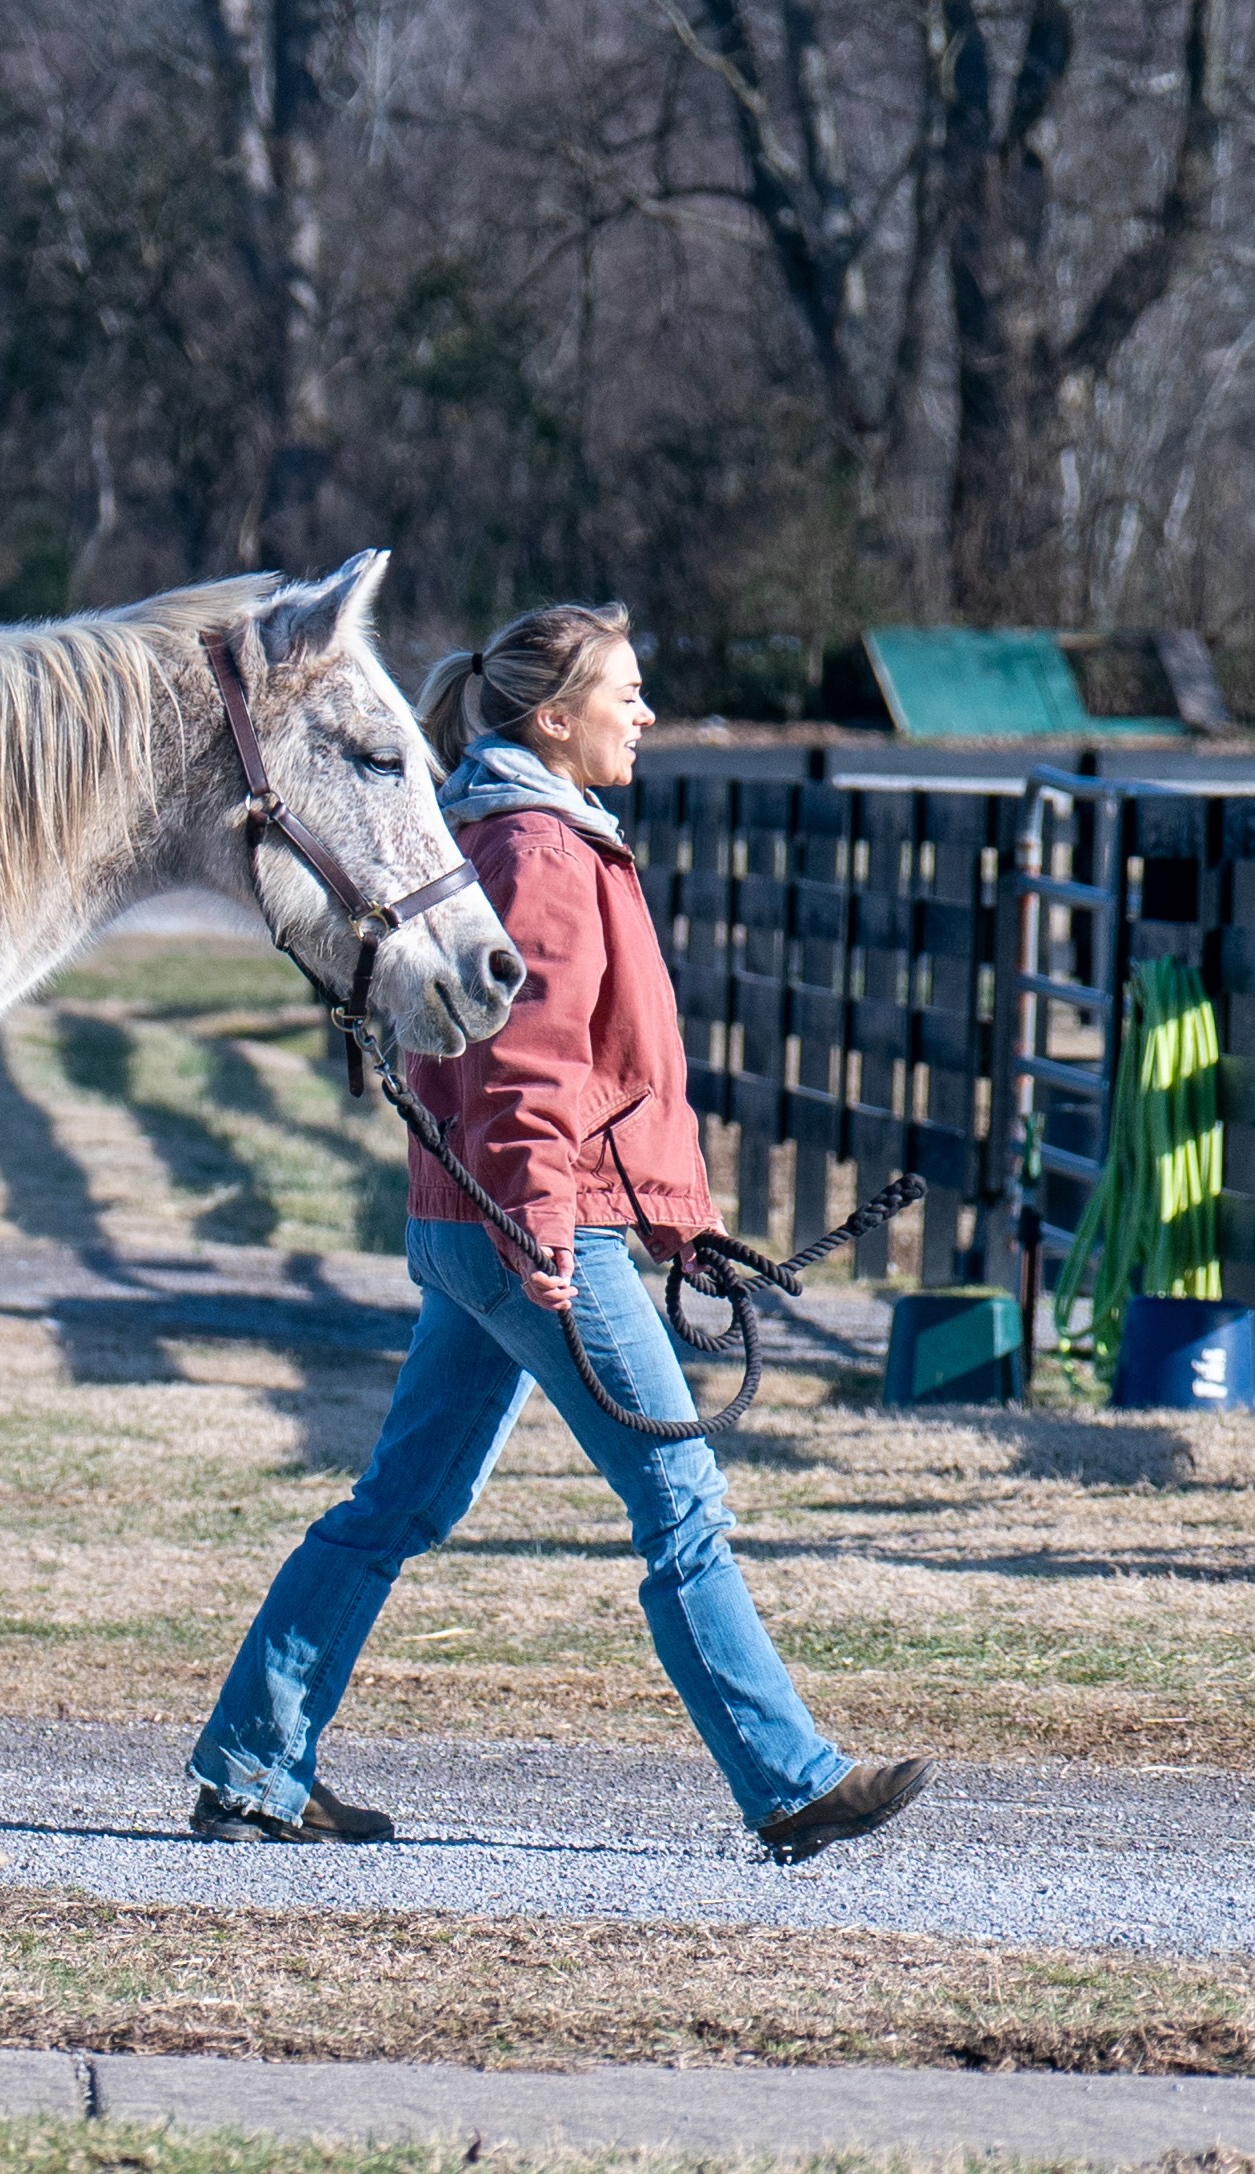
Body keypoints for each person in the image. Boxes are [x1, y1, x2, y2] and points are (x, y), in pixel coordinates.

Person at [184, 601, 931, 1863]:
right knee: (679, 1502)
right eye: (623, 693)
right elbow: (525, 1070)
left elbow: (582, 1069)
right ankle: (791, 1780)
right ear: (552, 716)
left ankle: (255, 1761)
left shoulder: (517, 831)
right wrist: (547, 1224)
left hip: (489, 1225)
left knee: (398, 1504)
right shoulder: (538, 849)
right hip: (540, 1232)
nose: (643, 714)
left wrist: (672, 1222)